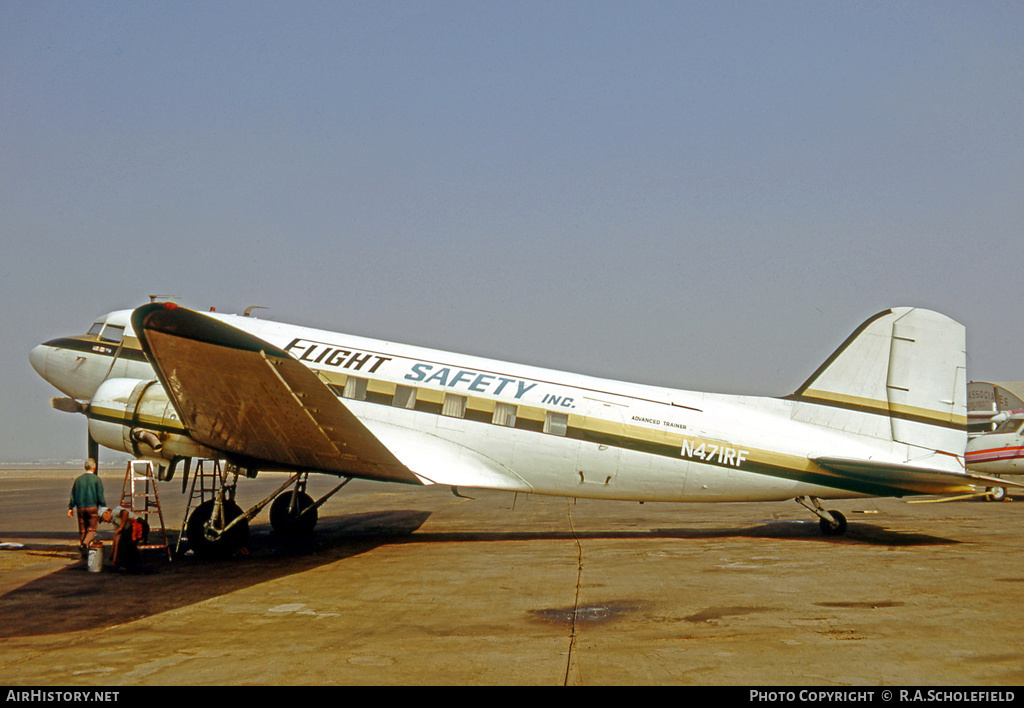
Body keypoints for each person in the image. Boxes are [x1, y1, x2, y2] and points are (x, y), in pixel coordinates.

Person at [67, 459, 105, 557]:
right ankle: (85, 543)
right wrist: (103, 506)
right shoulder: (96, 479)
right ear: (94, 467)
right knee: (92, 529)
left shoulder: (78, 480)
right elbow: (100, 495)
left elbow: (73, 494)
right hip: (92, 508)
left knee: (83, 530)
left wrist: (71, 507)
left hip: (80, 508)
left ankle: (84, 551)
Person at [100, 505, 149, 571]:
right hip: (133, 528)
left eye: (102, 518)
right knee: (126, 543)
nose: (104, 521)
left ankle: (134, 565)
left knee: (127, 542)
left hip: (139, 525)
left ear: (106, 512)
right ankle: (132, 565)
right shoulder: (114, 523)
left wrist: (121, 527)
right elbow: (117, 538)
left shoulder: (115, 511)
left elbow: (125, 512)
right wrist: (114, 557)